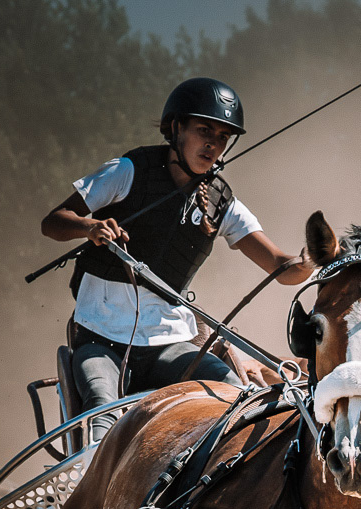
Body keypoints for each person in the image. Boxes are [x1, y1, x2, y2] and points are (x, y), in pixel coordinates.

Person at [41, 77, 311, 437]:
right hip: (100, 340)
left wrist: (313, 261)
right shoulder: (127, 170)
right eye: (204, 130)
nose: (213, 144)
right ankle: (88, 471)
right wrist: (89, 227)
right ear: (176, 128)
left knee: (239, 396)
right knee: (102, 408)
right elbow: (53, 222)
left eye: (223, 137)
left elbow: (281, 267)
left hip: (168, 344)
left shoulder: (223, 205)